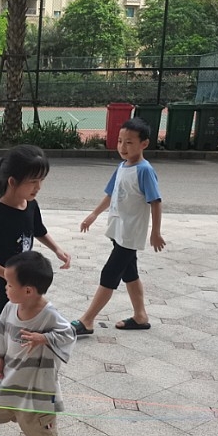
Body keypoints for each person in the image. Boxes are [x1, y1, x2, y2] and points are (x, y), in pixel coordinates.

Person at [0, 145, 71, 404]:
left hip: (22, 292)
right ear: (13, 182)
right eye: (33, 182)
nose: (38, 187)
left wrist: (57, 249)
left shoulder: (30, 204)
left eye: (41, 181)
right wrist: (8, 276)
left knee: (9, 340)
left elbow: (38, 229)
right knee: (9, 341)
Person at [0, 251, 76, 436]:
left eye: (10, 285)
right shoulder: (10, 307)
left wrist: (44, 338)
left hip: (35, 379)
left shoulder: (49, 314)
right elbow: (2, 333)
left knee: (37, 415)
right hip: (10, 370)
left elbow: (69, 334)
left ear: (28, 290)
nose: (5, 287)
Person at [70, 117, 165, 336]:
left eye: (129, 142)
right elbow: (111, 193)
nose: (123, 146)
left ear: (144, 144)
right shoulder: (123, 166)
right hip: (119, 230)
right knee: (130, 273)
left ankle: (87, 320)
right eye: (120, 141)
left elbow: (156, 202)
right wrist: (94, 214)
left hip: (131, 233)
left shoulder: (144, 171)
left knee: (110, 273)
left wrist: (156, 232)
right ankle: (140, 316)